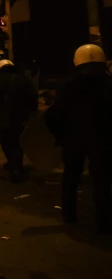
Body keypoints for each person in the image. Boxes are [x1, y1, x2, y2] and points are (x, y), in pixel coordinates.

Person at [45, 44, 112, 234]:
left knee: (71, 177)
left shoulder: (67, 85)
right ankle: (103, 219)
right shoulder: (109, 84)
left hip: (73, 139)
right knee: (102, 180)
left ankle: (69, 214)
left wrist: (60, 135)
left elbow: (55, 115)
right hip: (102, 140)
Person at [0, 59, 38, 183]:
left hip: (0, 119)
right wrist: (29, 115)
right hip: (19, 118)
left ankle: (12, 164)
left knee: (6, 142)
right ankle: (17, 166)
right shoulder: (23, 80)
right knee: (17, 143)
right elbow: (32, 99)